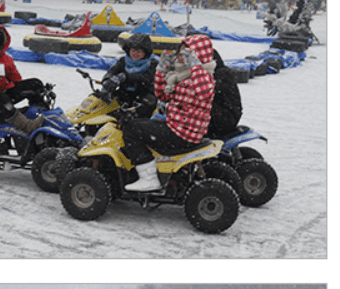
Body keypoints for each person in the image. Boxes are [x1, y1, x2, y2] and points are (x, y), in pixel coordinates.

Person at [122, 35, 216, 192]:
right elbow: (162, 95)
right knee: (137, 122)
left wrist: (195, 65)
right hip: (176, 126)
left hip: (182, 134)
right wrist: (162, 69)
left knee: (132, 129)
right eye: (180, 53)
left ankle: (149, 178)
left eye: (186, 54)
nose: (180, 57)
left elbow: (204, 92)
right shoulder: (183, 76)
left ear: (197, 56)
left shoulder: (204, 76)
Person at [97, 34, 158, 118]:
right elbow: (111, 72)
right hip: (124, 94)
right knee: (99, 98)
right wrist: (107, 81)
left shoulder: (153, 64)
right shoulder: (123, 61)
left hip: (143, 96)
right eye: (133, 50)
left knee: (147, 103)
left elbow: (146, 79)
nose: (135, 53)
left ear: (145, 52)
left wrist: (125, 77)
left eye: (139, 51)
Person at [207, 49, 242, 137]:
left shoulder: (222, 75)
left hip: (226, 117)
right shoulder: (215, 73)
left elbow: (204, 92)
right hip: (221, 113)